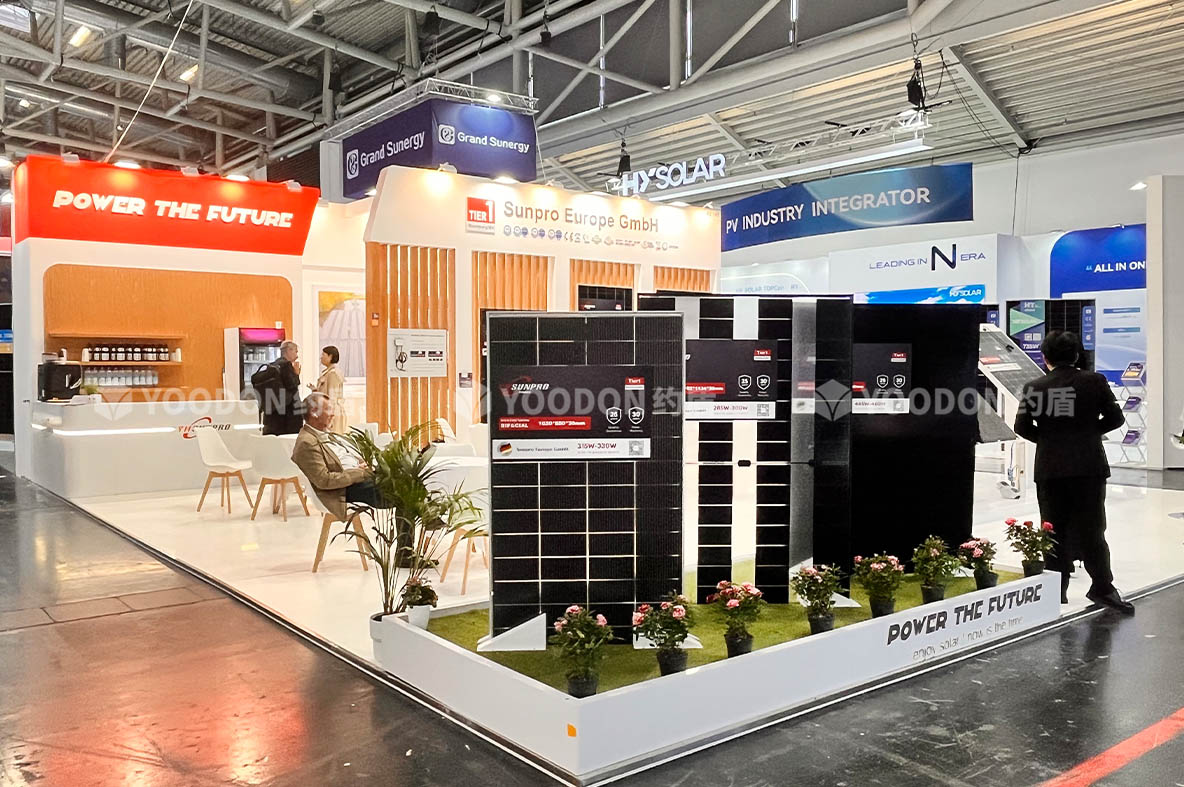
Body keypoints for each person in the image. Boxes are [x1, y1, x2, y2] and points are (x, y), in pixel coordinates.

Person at [1013, 330, 1133, 614]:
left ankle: (1057, 590)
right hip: (1088, 466)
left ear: (1045, 357)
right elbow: (1116, 418)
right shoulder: (1094, 381)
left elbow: (1021, 427)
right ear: (1077, 355)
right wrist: (1088, 434)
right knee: (1093, 529)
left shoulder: (1034, 387)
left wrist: (1049, 440)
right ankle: (1102, 587)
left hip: (1050, 468)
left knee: (1052, 529)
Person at [291, 393, 380, 520]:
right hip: (343, 490)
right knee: (401, 490)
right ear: (314, 412)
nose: (333, 414)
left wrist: (362, 465)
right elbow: (324, 480)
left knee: (403, 480)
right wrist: (360, 473)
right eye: (328, 409)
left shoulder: (325, 434)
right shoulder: (306, 443)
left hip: (357, 478)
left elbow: (344, 457)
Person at [257, 340, 303, 436]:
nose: (297, 356)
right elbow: (292, 385)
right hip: (287, 414)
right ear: (289, 350)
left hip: (272, 412)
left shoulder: (272, 365)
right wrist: (296, 374)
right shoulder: (286, 365)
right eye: (296, 351)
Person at [312, 345, 348, 434]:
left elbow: (332, 397)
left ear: (330, 356)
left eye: (323, 355)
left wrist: (328, 415)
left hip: (331, 413)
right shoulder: (327, 372)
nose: (321, 357)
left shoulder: (333, 373)